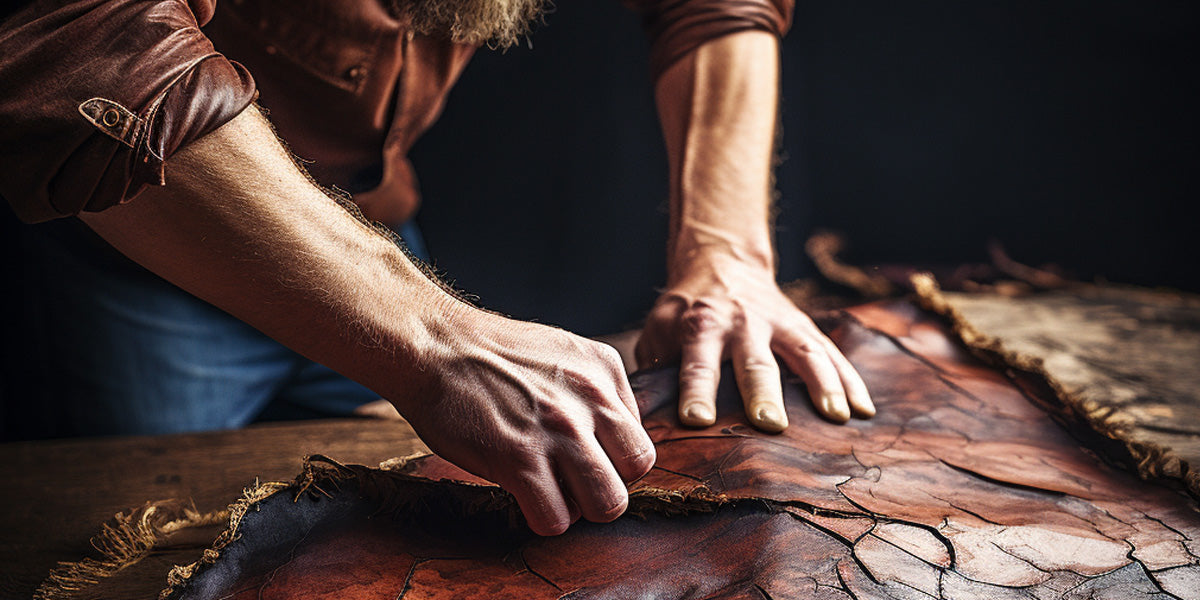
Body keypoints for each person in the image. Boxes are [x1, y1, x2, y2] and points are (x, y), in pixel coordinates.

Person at [0, 0, 873, 535]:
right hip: (147, 257)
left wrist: (727, 250)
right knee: (160, 545)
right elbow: (79, 33)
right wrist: (432, 338)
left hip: (379, 233)